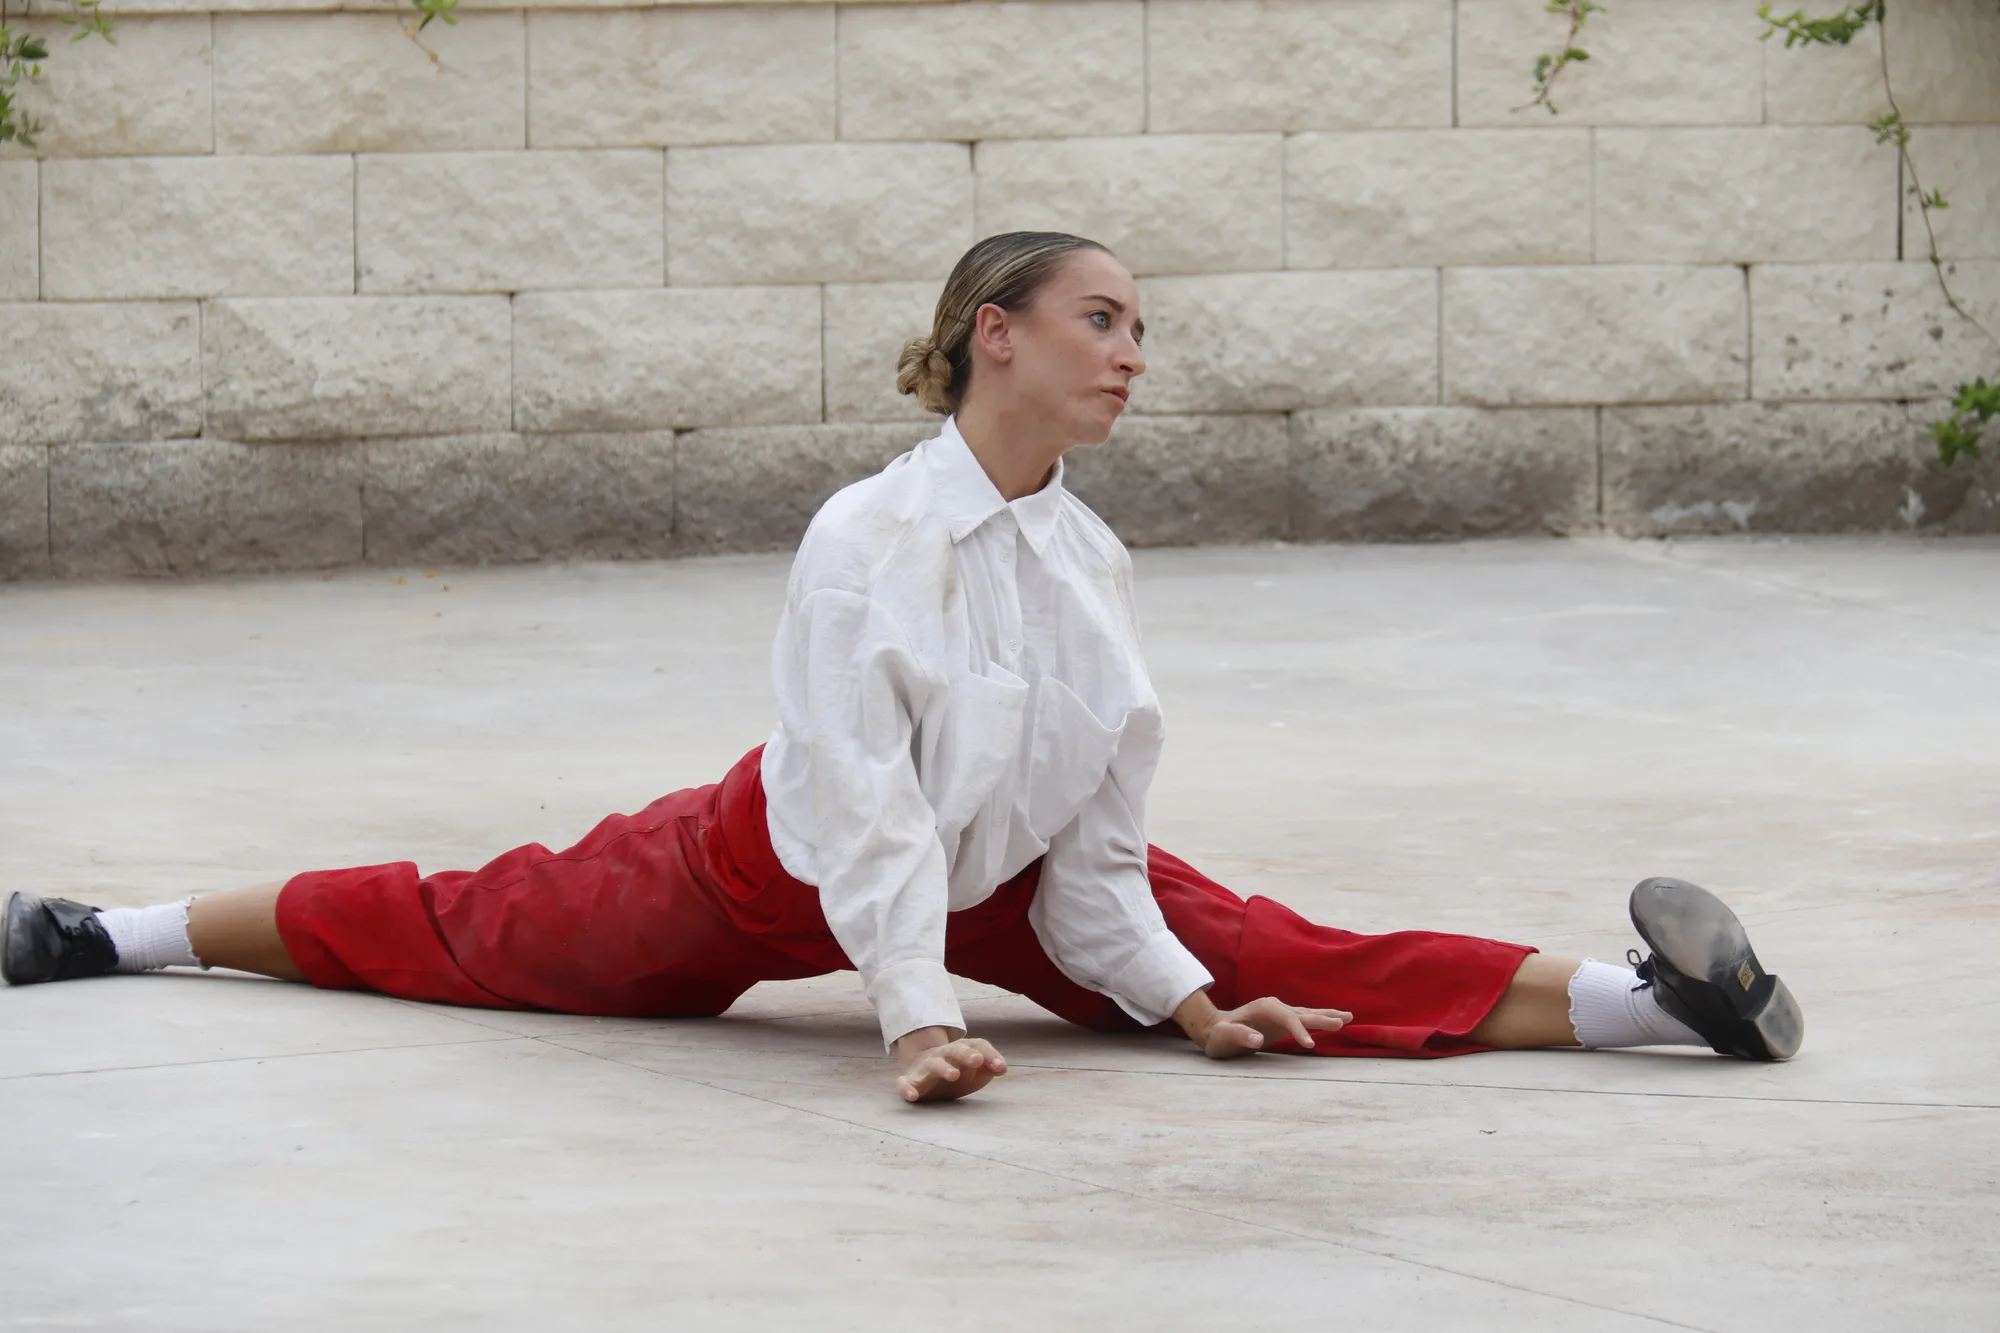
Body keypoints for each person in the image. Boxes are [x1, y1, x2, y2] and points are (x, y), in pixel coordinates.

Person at [1, 231, 1803, 1103]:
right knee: (481, 932)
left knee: (1256, 947)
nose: (1133, 357)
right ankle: (111, 930)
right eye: (1105, 321)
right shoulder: (867, 537)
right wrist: (918, 1014)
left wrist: (1169, 998)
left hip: (1003, 874)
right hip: (763, 865)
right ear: (990, 338)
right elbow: (859, 806)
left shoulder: (1090, 559)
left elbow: (1100, 842)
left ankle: (1651, 1003)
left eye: (1143, 333)